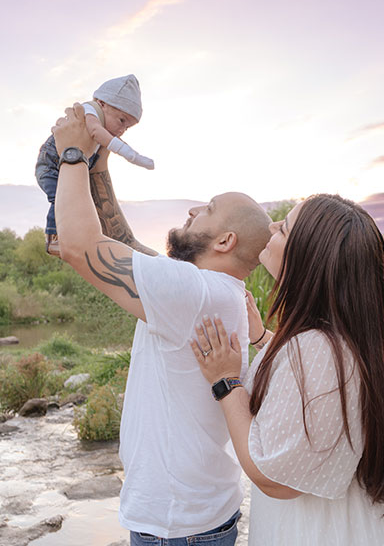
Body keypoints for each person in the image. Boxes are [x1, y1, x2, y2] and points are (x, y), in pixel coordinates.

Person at [51, 104, 272, 545]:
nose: (193, 209)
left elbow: (80, 245)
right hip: (194, 518)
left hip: (178, 530)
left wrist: (72, 153)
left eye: (207, 209)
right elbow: (124, 243)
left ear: (226, 240)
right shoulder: (206, 288)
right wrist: (100, 165)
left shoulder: (194, 292)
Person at [191, 194, 384, 545]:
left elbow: (275, 479)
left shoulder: (316, 348)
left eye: (285, 227)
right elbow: (303, 396)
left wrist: (226, 382)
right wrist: (264, 339)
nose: (272, 226)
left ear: (309, 258)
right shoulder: (342, 340)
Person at [35, 74, 154, 256]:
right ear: (102, 103)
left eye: (127, 127)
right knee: (60, 199)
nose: (121, 131)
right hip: (51, 166)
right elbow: (97, 132)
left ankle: (81, 237)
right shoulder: (90, 111)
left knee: (80, 203)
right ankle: (53, 238)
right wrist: (132, 156)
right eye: (121, 120)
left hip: (71, 168)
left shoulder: (101, 126)